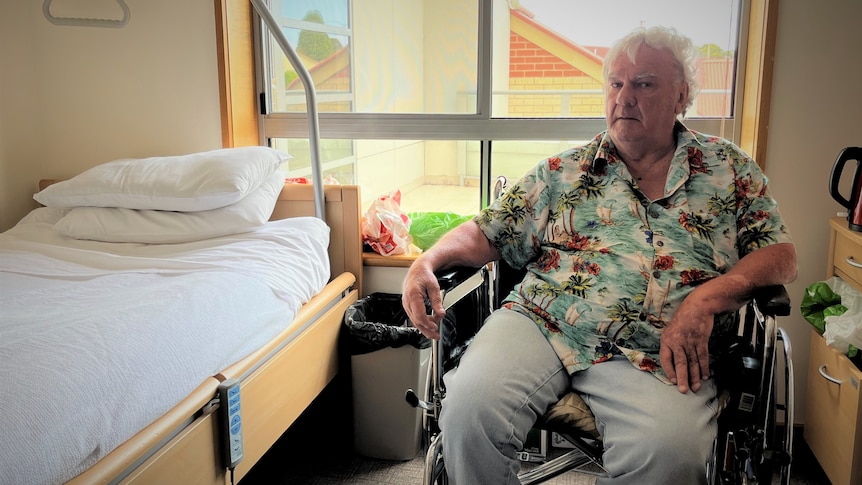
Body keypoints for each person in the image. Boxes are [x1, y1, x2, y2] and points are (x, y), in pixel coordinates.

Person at [401, 25, 797, 485]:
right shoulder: (562, 171)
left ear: (681, 95)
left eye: (644, 84)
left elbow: (780, 254)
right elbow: (485, 231)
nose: (625, 97)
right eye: (616, 83)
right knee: (468, 408)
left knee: (669, 454)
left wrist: (709, 298)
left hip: (658, 343)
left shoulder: (728, 168)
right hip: (542, 321)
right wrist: (423, 263)